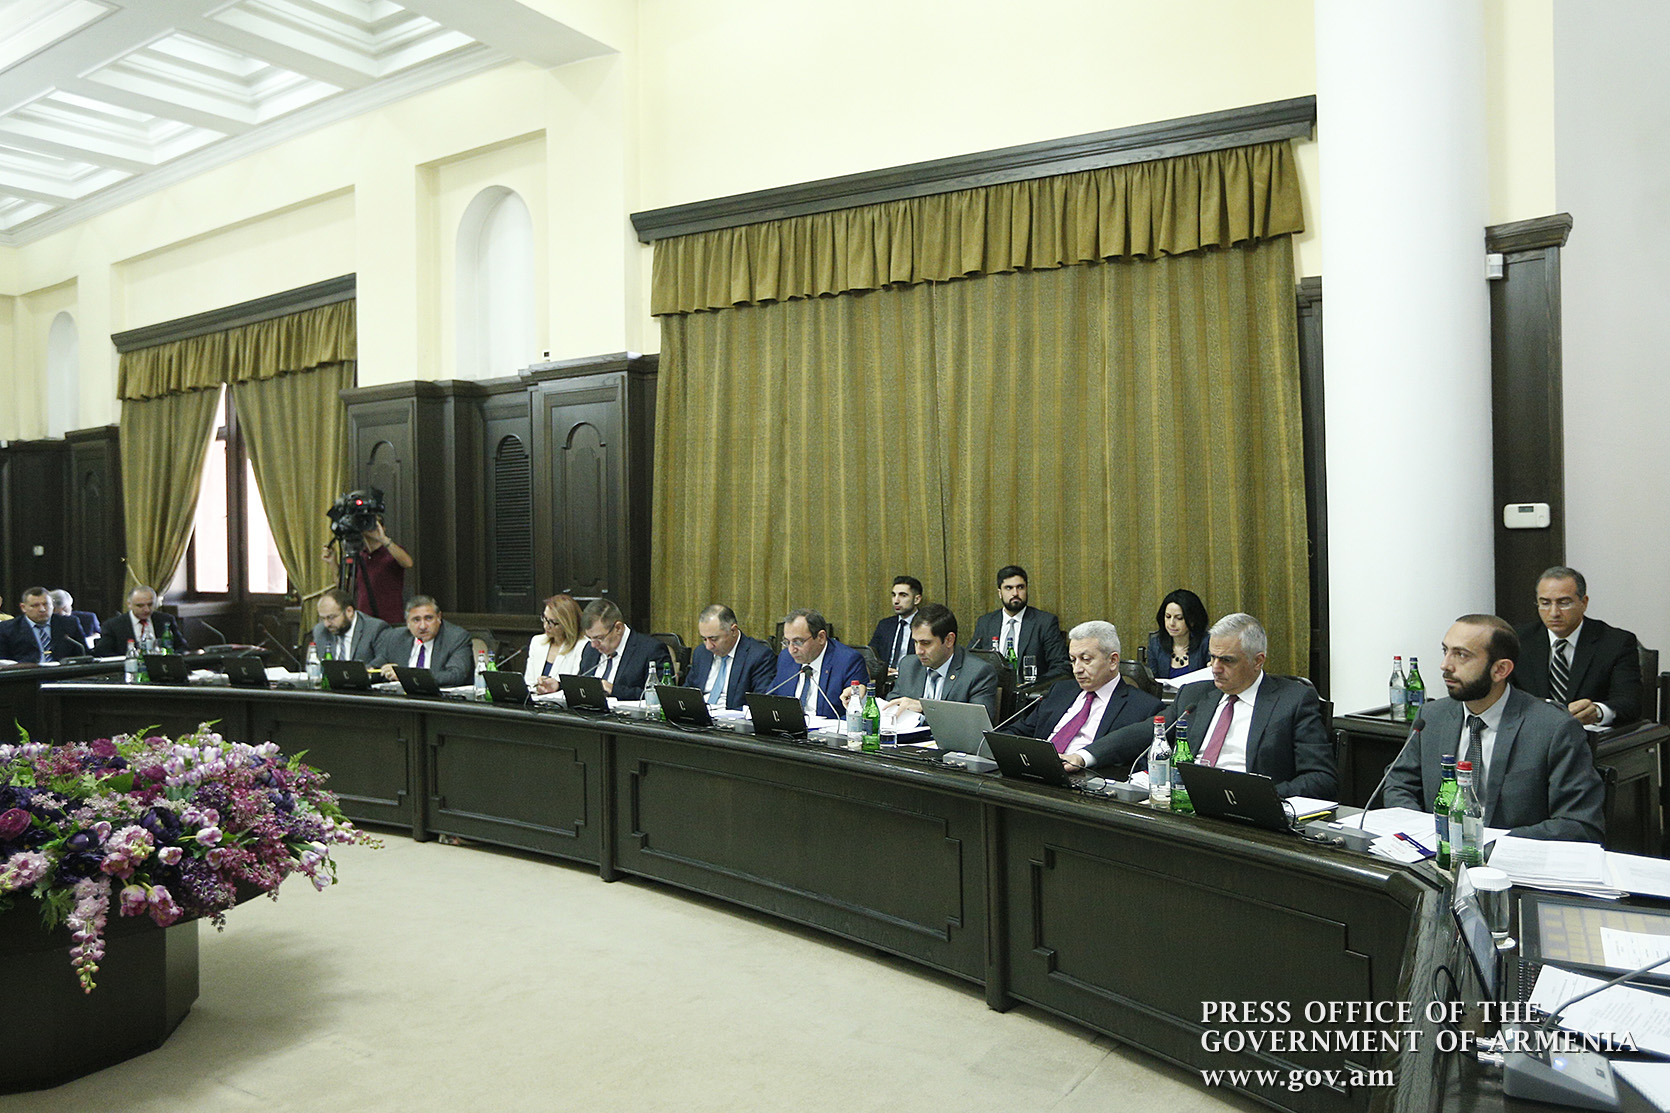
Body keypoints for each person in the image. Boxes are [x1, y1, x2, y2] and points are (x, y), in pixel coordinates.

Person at [1384, 614, 1604, 842]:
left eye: (1461, 655)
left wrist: (1491, 844)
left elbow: (1579, 824)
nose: (1445, 665)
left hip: (1510, 856)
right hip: (1436, 852)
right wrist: (1424, 832)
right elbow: (1399, 784)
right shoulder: (1431, 717)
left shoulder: (1553, 728)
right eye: (1445, 651)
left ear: (1500, 670)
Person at [1085, 613, 1336, 798]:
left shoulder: (1293, 700)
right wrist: (1085, 756)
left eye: (1227, 660)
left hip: (1246, 812)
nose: (1215, 668)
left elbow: (1321, 778)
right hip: (1186, 802)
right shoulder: (1195, 694)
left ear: (1258, 661)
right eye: (1212, 657)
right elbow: (1146, 731)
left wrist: (1259, 796)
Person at [1005, 620, 1162, 769]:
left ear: (1113, 661)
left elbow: (1144, 767)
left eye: (1086, 659)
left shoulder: (1144, 708)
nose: (1077, 669)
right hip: (1038, 772)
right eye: (1073, 660)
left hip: (1088, 780)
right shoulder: (1060, 691)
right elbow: (1019, 732)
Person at [1511, 565, 1643, 727]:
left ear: (1584, 603)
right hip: (1532, 731)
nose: (1554, 613)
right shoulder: (1517, 640)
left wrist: (1598, 711)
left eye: (1564, 603)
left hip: (1589, 735)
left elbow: (1629, 702)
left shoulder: (1616, 642)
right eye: (1545, 603)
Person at [876, 604, 1002, 719]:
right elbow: (892, 704)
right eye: (915, 642)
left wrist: (925, 708)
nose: (918, 651)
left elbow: (978, 721)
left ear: (949, 640)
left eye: (926, 643)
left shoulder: (978, 672)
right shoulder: (909, 665)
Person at [970, 565, 1070, 679]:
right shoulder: (986, 623)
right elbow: (971, 660)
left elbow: (1060, 667)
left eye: (1020, 587)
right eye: (1008, 588)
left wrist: (1034, 685)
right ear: (1000, 593)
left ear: (1026, 589)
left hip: (1032, 688)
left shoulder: (1045, 622)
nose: (1015, 593)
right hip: (992, 687)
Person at [770, 608, 868, 719]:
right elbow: (771, 699)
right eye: (787, 642)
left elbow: (855, 714)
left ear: (821, 637)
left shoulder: (848, 661)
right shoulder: (786, 658)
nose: (792, 649)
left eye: (798, 642)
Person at [576, 597, 671, 701]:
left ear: (618, 628)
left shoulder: (651, 650)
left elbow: (660, 696)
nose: (594, 645)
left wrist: (613, 690)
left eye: (599, 638)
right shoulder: (590, 650)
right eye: (590, 638)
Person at [322, 518, 412, 625]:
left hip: (390, 620)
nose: (370, 527)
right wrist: (332, 563)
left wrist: (384, 539)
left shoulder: (392, 551)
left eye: (374, 524)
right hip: (365, 621)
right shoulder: (360, 556)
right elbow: (345, 587)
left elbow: (408, 563)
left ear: (383, 528)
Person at [687, 604, 775, 709]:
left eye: (714, 639)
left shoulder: (759, 656)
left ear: (733, 630)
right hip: (699, 715)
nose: (708, 646)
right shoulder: (701, 653)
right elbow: (688, 691)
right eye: (704, 639)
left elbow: (760, 704)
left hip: (731, 717)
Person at [371, 595, 473, 686]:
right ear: (408, 623)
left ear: (439, 618)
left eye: (428, 618)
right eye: (416, 620)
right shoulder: (396, 637)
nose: (423, 626)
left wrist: (405, 676)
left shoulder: (456, 637)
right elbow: (376, 666)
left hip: (439, 699)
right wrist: (370, 673)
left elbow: (456, 675)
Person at [0, 587, 85, 663]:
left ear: (52, 604)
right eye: (35, 605)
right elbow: (4, 661)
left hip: (65, 673)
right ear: (23, 607)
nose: (42, 609)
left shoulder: (69, 623)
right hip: (27, 674)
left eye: (46, 604)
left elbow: (83, 654)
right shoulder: (7, 628)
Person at [524, 594, 586, 695]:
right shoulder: (537, 642)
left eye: (552, 622)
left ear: (568, 623)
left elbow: (576, 686)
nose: (546, 626)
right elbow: (529, 682)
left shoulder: (582, 646)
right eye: (545, 618)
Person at [309, 587, 390, 664]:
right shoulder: (320, 631)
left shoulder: (374, 629)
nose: (327, 624)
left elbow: (382, 660)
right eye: (323, 618)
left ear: (349, 611)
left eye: (331, 617)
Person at [1145, 588, 1209, 680]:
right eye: (1168, 617)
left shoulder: (1207, 643)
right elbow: (1152, 681)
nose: (1171, 623)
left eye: (1179, 618)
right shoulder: (1155, 643)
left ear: (1193, 620)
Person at [103, 585, 191, 652]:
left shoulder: (165, 620)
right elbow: (104, 653)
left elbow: (182, 647)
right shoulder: (113, 625)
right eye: (140, 606)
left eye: (150, 604)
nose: (147, 610)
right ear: (129, 604)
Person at [867, 576, 923, 676]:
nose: (896, 601)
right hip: (885, 679)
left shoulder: (926, 625)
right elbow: (871, 656)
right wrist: (881, 671)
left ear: (916, 599)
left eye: (903, 595)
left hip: (914, 679)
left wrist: (901, 673)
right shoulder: (885, 625)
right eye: (894, 595)